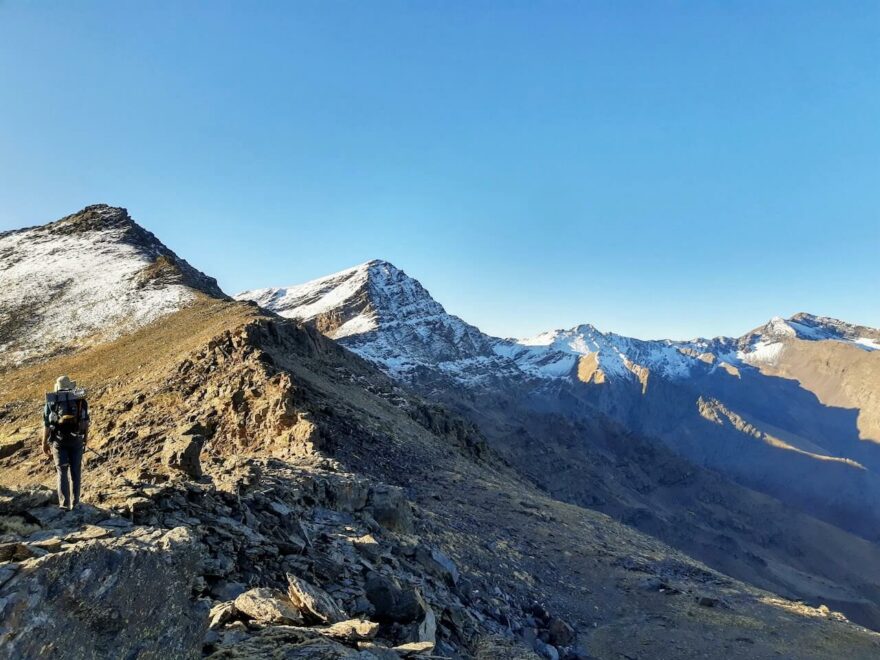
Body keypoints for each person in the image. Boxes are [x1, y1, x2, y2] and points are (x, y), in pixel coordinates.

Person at [42, 375, 90, 510]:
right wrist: (85, 438)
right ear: (70, 386)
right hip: (76, 440)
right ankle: (76, 502)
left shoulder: (51, 401)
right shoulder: (80, 400)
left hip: (59, 441)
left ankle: (64, 504)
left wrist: (44, 443)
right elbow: (86, 422)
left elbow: (47, 424)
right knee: (76, 470)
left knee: (62, 470)